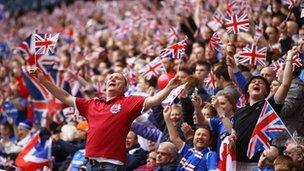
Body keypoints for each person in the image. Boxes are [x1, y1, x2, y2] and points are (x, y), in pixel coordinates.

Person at [28, 68, 181, 170]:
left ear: (124, 88)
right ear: (106, 84)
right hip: (89, 163)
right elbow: (65, 96)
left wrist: (168, 88)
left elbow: (153, 100)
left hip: (112, 165)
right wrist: (43, 80)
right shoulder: (92, 104)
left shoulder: (129, 102)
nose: (113, 79)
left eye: (118, 78)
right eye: (110, 78)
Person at [232, 48, 295, 170]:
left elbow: (286, 84)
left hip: (257, 164)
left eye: (261, 83)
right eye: (253, 82)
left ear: (266, 91)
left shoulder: (269, 106)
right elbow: (233, 134)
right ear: (247, 90)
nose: (256, 83)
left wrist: (289, 58)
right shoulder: (239, 111)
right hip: (234, 163)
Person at [163, 106, 218, 170]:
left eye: (204, 135)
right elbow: (174, 138)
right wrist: (167, 118)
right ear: (193, 138)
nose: (200, 137)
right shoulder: (188, 151)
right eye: (198, 134)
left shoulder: (211, 155)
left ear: (210, 141)